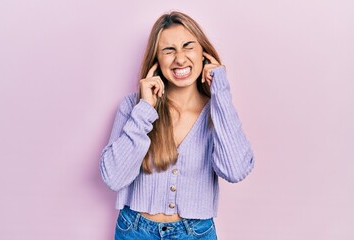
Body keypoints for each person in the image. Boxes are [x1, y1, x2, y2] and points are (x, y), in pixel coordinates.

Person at [99, 11, 254, 240]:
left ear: (204, 54)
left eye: (188, 46)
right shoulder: (133, 106)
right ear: (157, 61)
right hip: (135, 230)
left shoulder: (217, 111)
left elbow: (235, 170)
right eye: (168, 50)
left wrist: (220, 91)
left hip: (196, 233)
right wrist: (145, 109)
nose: (180, 59)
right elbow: (113, 177)